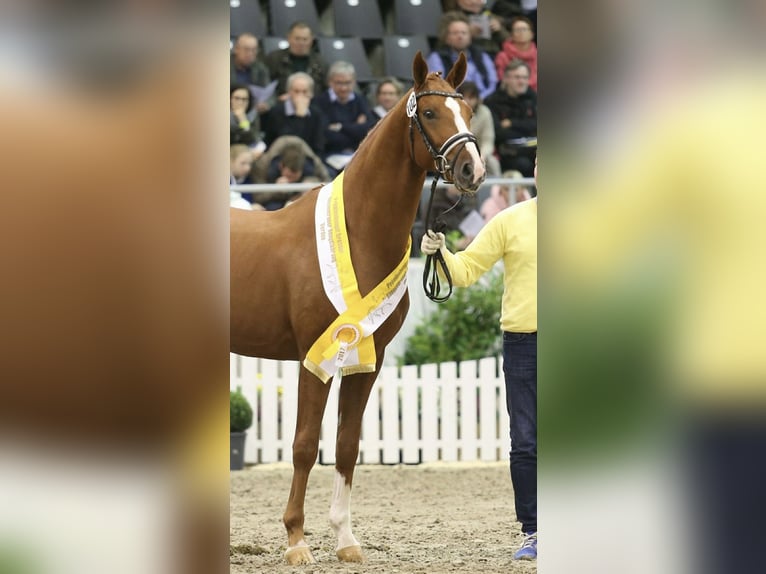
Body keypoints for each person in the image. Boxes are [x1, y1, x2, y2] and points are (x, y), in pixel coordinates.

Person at [421, 155, 538, 561]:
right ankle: (534, 529)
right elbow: (467, 269)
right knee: (525, 442)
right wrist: (440, 254)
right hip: (523, 342)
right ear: (536, 170)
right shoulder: (510, 220)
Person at [313, 61, 375, 174]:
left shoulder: (360, 100)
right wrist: (356, 128)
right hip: (330, 156)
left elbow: (369, 131)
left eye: (348, 83)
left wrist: (340, 127)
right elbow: (326, 136)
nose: (343, 88)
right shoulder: (320, 102)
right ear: (330, 82)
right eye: (339, 83)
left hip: (358, 154)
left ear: (354, 82)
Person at [426, 12, 498, 100]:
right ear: (447, 38)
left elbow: (492, 84)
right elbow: (436, 86)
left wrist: (479, 99)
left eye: (464, 33)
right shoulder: (437, 58)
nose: (460, 36)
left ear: (470, 37)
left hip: (482, 102)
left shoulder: (482, 55)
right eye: (455, 33)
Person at [484, 60, 537, 176]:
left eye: (525, 77)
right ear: (506, 79)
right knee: (525, 165)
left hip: (534, 148)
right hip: (509, 153)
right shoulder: (493, 101)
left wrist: (512, 123)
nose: (521, 81)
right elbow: (498, 133)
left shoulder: (534, 98)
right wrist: (528, 127)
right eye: (517, 77)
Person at [260, 71, 327, 154]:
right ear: (289, 92)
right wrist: (299, 118)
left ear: (311, 94)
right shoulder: (277, 112)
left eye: (305, 92)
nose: (300, 96)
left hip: (308, 159)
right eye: (296, 91)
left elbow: (318, 146)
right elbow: (287, 143)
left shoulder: (316, 114)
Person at [263, 21, 328, 98]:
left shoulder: (321, 62)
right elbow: (265, 86)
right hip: (281, 105)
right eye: (297, 39)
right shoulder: (274, 59)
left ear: (311, 40)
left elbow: (326, 90)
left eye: (305, 39)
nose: (301, 43)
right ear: (289, 38)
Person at [457, 81, 501, 177]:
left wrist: (481, 156)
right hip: (456, 154)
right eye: (463, 97)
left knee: (493, 164)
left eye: (471, 98)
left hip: (479, 153)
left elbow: (488, 140)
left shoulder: (484, 112)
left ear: (477, 99)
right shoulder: (452, 112)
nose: (467, 101)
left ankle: (496, 190)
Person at [442, 0, 510, 56]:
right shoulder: (451, 18)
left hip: (495, 56)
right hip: (467, 57)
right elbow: (442, 42)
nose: (474, 1)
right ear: (459, 1)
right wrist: (467, 33)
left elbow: (509, 41)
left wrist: (499, 30)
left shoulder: (493, 16)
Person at [230, 33, 273, 114]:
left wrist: (266, 103)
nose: (250, 53)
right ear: (236, 49)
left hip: (253, 111)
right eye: (246, 49)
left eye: (254, 50)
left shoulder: (260, 68)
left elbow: (270, 93)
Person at [494, 16, 538, 92]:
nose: (521, 32)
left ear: (532, 34)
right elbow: (502, 79)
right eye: (517, 30)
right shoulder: (503, 56)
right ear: (511, 35)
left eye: (524, 29)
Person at [230, 83, 265, 153]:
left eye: (244, 99)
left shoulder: (252, 115)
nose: (240, 102)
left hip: (247, 152)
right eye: (237, 98)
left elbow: (254, 140)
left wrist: (243, 120)